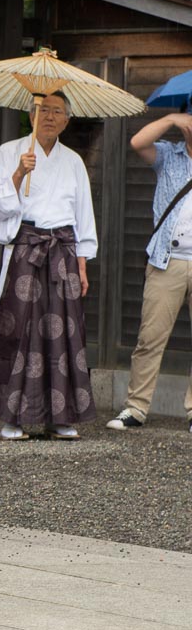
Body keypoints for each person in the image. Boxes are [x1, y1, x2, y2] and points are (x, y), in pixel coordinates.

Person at [0, 92, 98, 440]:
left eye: (57, 111)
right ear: (31, 115)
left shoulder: (74, 162)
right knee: (19, 331)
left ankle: (60, 418)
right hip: (25, 246)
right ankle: (12, 418)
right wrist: (20, 172)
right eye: (43, 109)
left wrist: (82, 265)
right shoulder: (9, 153)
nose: (49, 116)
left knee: (63, 334)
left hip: (63, 250)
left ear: (67, 120)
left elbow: (83, 216)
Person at [109, 111, 192, 430]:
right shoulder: (168, 154)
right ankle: (136, 407)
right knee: (150, 337)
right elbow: (136, 142)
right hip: (166, 258)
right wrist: (171, 118)